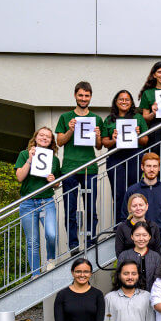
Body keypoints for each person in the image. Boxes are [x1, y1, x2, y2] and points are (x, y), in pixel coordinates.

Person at [55, 81, 102, 253]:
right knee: (70, 208)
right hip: (69, 169)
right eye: (81, 95)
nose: (83, 98)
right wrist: (70, 130)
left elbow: (98, 147)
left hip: (90, 168)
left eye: (87, 96)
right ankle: (73, 244)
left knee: (91, 207)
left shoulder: (96, 119)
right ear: (75, 95)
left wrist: (98, 136)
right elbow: (59, 142)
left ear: (90, 97)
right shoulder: (65, 117)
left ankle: (91, 241)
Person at [15, 126, 61, 275]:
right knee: (32, 242)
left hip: (46, 201)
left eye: (48, 136)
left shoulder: (54, 159)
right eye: (41, 135)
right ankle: (35, 273)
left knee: (51, 234)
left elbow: (57, 184)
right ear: (35, 137)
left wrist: (53, 180)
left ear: (51, 141)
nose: (44, 138)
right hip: (28, 203)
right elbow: (20, 177)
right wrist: (30, 159)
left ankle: (51, 259)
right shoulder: (24, 154)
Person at [101, 90, 149, 223]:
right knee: (118, 193)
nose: (124, 102)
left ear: (131, 102)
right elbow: (105, 142)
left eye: (127, 99)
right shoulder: (110, 119)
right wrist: (114, 140)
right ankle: (120, 224)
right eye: (121, 99)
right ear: (116, 102)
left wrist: (138, 135)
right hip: (115, 157)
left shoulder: (138, 117)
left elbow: (145, 140)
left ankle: (135, 223)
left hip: (134, 156)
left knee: (134, 192)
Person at [124, 153, 161, 240]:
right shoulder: (132, 191)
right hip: (139, 240)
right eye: (148, 166)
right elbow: (124, 217)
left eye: (155, 166)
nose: (151, 169)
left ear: (159, 168)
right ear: (142, 167)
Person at [117, 221, 161, 291]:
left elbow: (159, 281)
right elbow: (120, 280)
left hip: (152, 297)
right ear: (132, 237)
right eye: (137, 235)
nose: (141, 239)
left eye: (144, 235)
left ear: (149, 237)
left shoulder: (156, 257)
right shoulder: (124, 256)